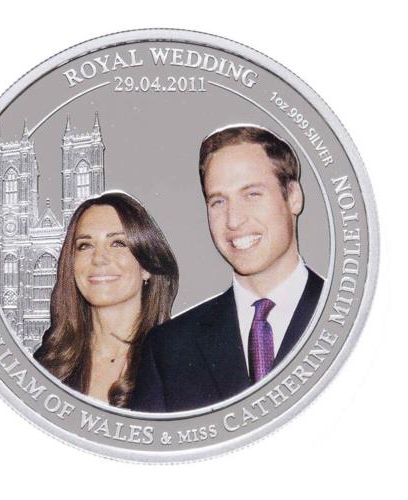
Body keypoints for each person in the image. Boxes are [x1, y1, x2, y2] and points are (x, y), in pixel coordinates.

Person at [131, 125, 324, 412]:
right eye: (218, 201)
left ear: (293, 196)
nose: (233, 220)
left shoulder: (357, 319)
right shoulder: (169, 349)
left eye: (252, 194)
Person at [34, 192, 179, 408]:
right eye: (85, 245)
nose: (99, 258)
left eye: (117, 243)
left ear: (147, 266)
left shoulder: (177, 363)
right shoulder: (48, 361)